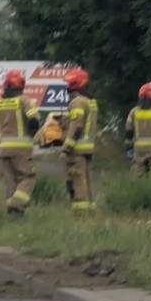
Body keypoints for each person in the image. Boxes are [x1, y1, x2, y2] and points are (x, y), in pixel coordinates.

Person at [0, 70, 41, 215]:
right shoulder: (24, 101)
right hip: (22, 149)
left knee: (10, 181)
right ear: (21, 85)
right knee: (28, 177)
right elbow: (34, 120)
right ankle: (17, 204)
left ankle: (13, 213)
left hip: (4, 149)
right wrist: (32, 133)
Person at [61, 68, 98, 212]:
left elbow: (77, 126)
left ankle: (81, 214)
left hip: (76, 150)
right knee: (87, 182)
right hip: (87, 149)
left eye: (69, 84)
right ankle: (90, 212)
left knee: (77, 183)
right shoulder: (91, 102)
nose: (67, 87)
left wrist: (67, 148)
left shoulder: (77, 102)